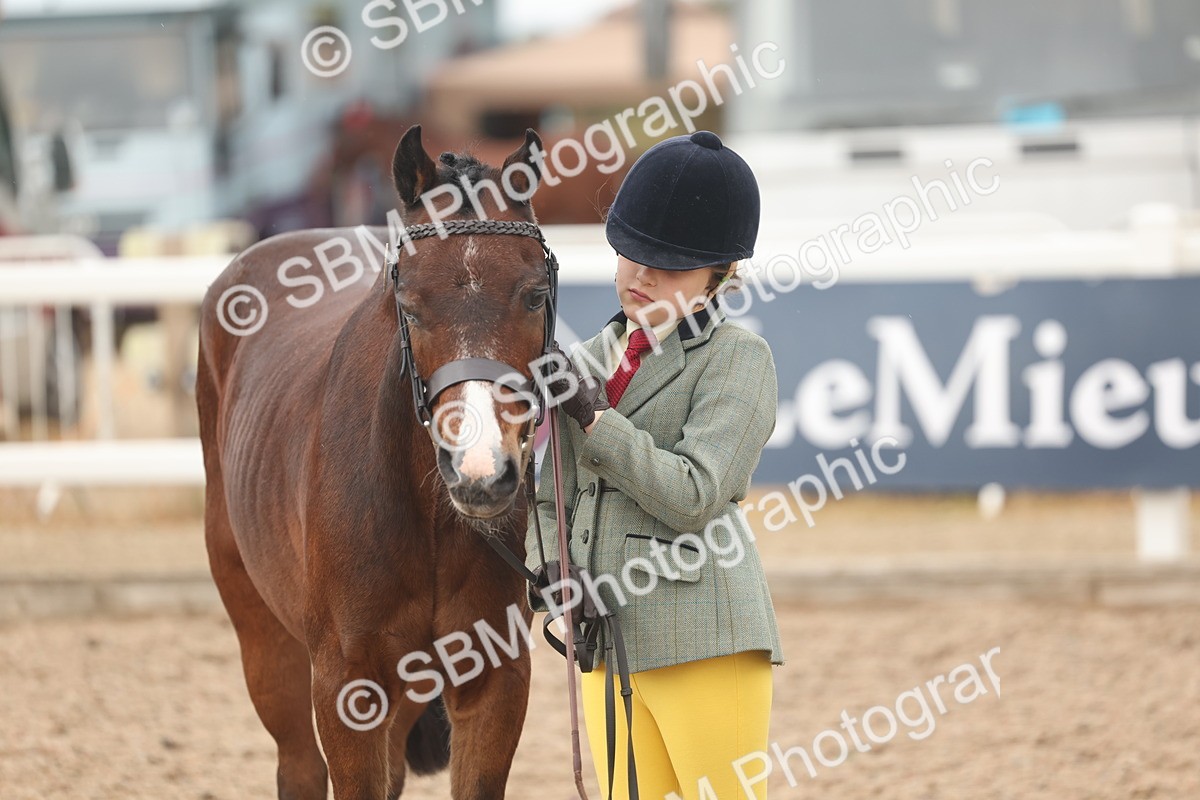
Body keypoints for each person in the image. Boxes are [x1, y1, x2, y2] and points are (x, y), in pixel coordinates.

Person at [525, 130, 784, 800]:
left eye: (667, 268)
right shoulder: (586, 359)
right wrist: (552, 573)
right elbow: (551, 493)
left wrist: (597, 420)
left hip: (703, 636)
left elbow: (695, 492)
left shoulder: (737, 359)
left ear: (718, 277)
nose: (640, 277)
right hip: (603, 637)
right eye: (633, 255)